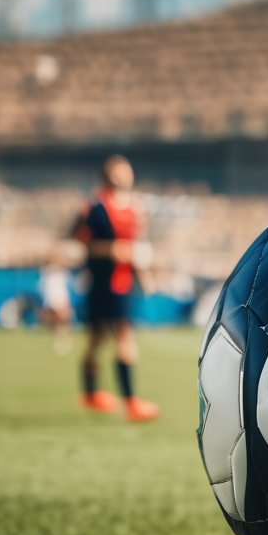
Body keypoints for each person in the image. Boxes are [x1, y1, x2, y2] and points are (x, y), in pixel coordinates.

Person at [72, 155, 160, 421]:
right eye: (117, 170)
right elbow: (79, 241)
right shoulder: (94, 206)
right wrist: (112, 250)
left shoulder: (136, 208)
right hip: (101, 281)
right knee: (117, 336)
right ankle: (132, 402)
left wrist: (144, 273)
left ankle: (90, 394)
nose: (123, 174)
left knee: (101, 337)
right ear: (107, 175)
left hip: (123, 283)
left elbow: (137, 245)